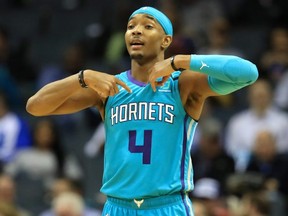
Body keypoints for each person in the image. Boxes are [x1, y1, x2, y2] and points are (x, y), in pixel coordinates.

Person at [26, 6, 258, 216]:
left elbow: (248, 73)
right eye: (130, 26)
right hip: (117, 206)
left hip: (166, 206)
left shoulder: (182, 83)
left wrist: (181, 61)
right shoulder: (108, 88)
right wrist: (82, 77)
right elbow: (35, 106)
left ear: (166, 41)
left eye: (147, 26)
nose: (136, 31)